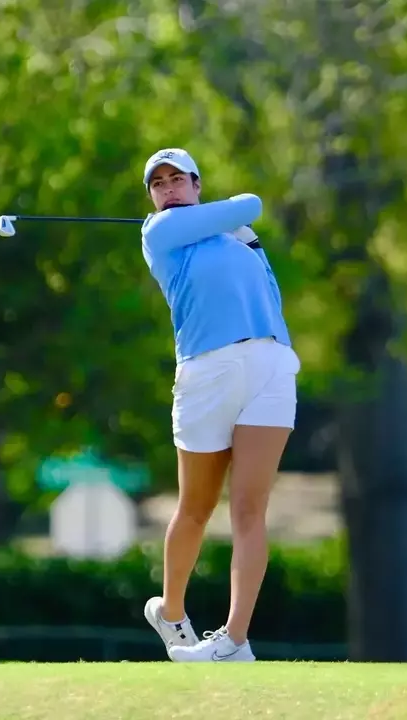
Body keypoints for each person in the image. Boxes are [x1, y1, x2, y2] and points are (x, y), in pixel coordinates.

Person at [137, 148, 300, 662]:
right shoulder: (159, 233)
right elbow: (250, 203)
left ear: (197, 184)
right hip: (207, 369)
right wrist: (233, 224)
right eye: (158, 183)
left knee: (250, 508)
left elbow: (269, 293)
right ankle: (171, 613)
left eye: (177, 179)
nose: (169, 189)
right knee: (197, 506)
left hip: (270, 363)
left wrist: (239, 234)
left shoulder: (239, 241)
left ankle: (234, 641)